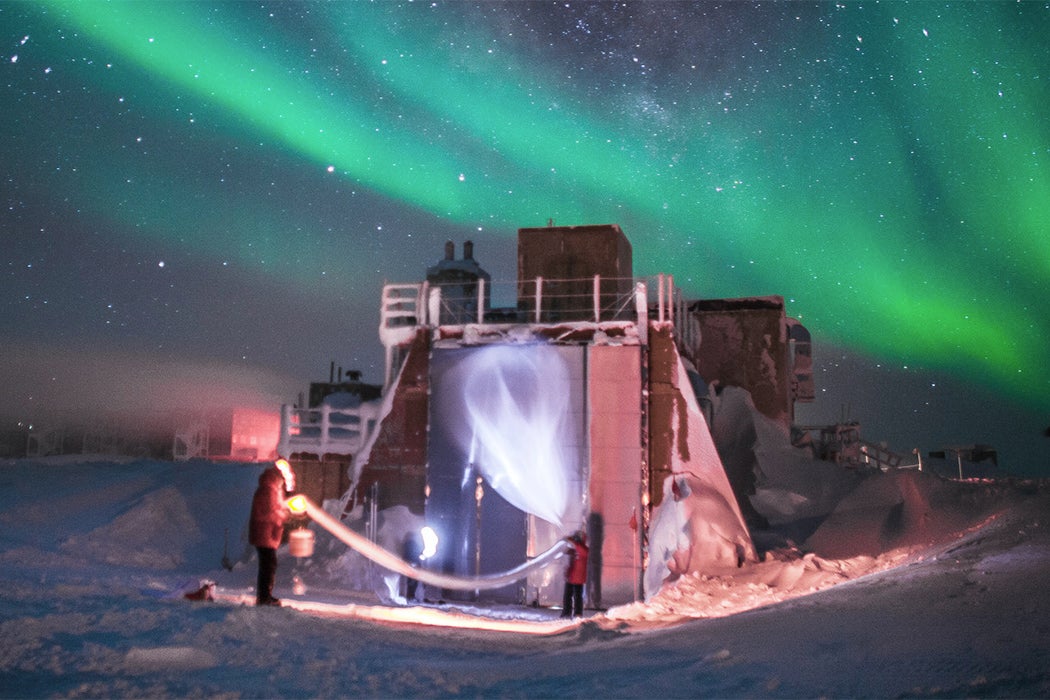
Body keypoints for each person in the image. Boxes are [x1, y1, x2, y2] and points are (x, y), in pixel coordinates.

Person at [249, 462, 291, 606]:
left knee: (268, 566)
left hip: (266, 535)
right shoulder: (268, 491)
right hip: (264, 535)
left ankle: (265, 596)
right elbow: (267, 513)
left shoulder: (271, 490)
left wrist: (283, 511)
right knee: (268, 566)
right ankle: (264, 597)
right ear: (276, 478)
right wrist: (283, 515)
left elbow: (273, 509)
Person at [560, 530, 589, 619]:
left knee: (577, 597)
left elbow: (580, 550)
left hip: (578, 579)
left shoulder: (584, 549)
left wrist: (571, 541)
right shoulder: (574, 550)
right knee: (567, 596)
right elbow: (567, 552)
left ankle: (577, 614)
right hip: (571, 577)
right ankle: (566, 613)